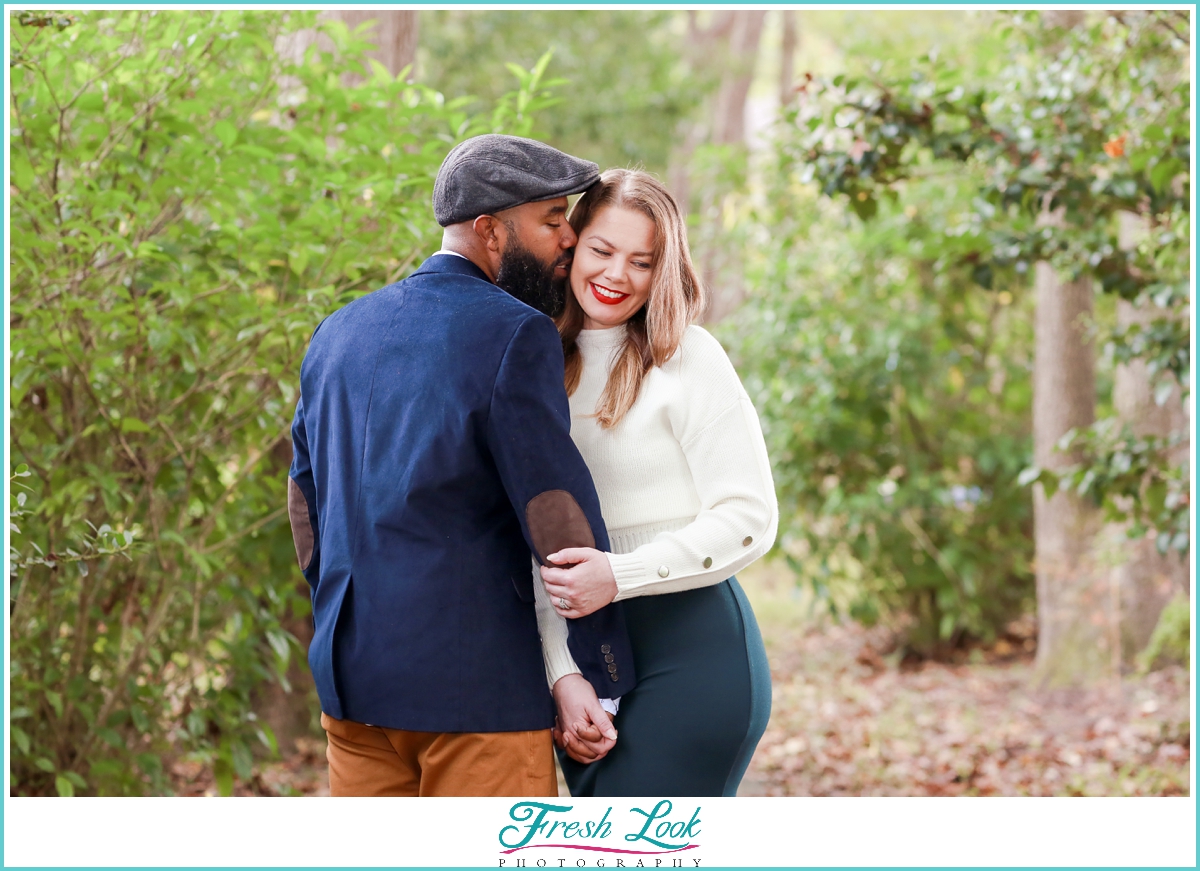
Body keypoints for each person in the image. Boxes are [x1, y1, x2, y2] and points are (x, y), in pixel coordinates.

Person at [286, 135, 636, 797]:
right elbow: (555, 512)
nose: (568, 239)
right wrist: (599, 669)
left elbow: (305, 500)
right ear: (489, 230)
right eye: (552, 220)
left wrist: (338, 607)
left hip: (351, 682)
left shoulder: (336, 331)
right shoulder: (514, 333)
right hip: (475, 698)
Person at [531, 169, 778, 796]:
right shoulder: (530, 362)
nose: (617, 276)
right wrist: (562, 675)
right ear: (573, 244)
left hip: (690, 648)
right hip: (584, 662)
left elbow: (749, 517)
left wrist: (619, 576)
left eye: (643, 261)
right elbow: (527, 539)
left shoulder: (687, 357)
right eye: (603, 251)